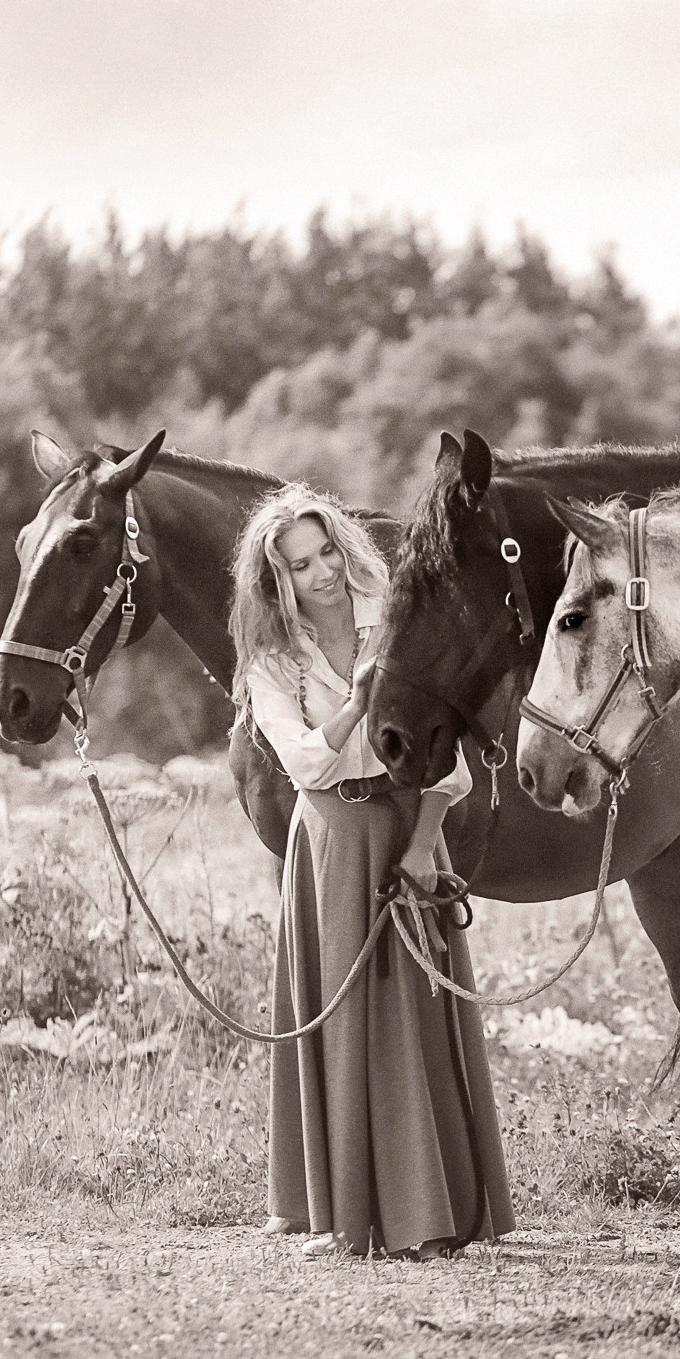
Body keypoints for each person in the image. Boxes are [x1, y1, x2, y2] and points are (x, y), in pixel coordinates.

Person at [230, 486, 515, 1259]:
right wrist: (356, 707)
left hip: (408, 826)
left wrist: (422, 849)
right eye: (300, 565)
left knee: (413, 1020)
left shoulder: (394, 623)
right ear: (276, 581)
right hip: (329, 842)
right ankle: (338, 1212)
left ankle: (430, 1214)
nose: (322, 572)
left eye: (327, 552)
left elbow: (445, 760)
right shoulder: (270, 662)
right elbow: (303, 764)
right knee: (342, 1019)